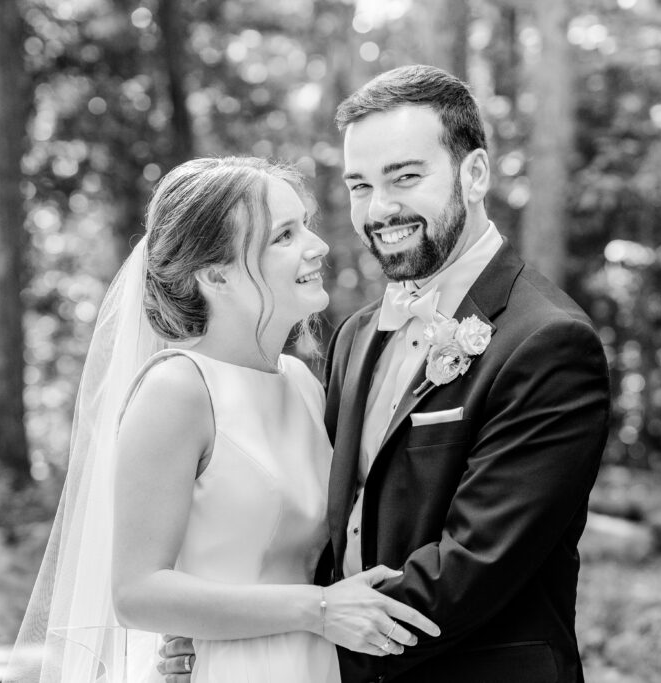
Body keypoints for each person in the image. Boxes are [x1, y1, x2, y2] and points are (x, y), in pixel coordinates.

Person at [165, 65, 611, 682]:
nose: (381, 208)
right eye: (359, 185)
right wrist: (229, 629)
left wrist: (293, 640)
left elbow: (473, 566)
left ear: (475, 173)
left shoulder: (547, 340)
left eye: (405, 177)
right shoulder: (355, 336)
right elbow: (322, 522)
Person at [4, 156, 439, 683]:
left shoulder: (301, 382)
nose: (317, 245)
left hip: (322, 663)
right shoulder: (178, 390)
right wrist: (319, 609)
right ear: (216, 275)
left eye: (305, 225)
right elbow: (137, 594)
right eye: (283, 235)